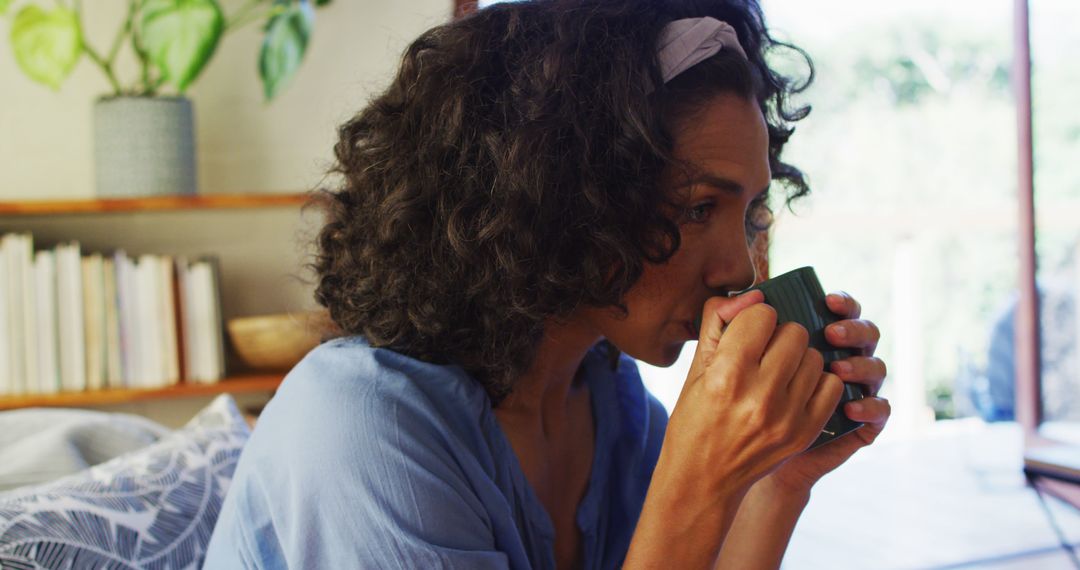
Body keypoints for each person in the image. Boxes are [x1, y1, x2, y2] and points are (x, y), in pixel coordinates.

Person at [204, 0, 890, 568]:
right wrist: (698, 483)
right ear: (565, 194)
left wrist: (774, 482)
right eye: (698, 207)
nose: (739, 269)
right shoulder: (359, 430)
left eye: (750, 215)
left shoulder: (614, 411)